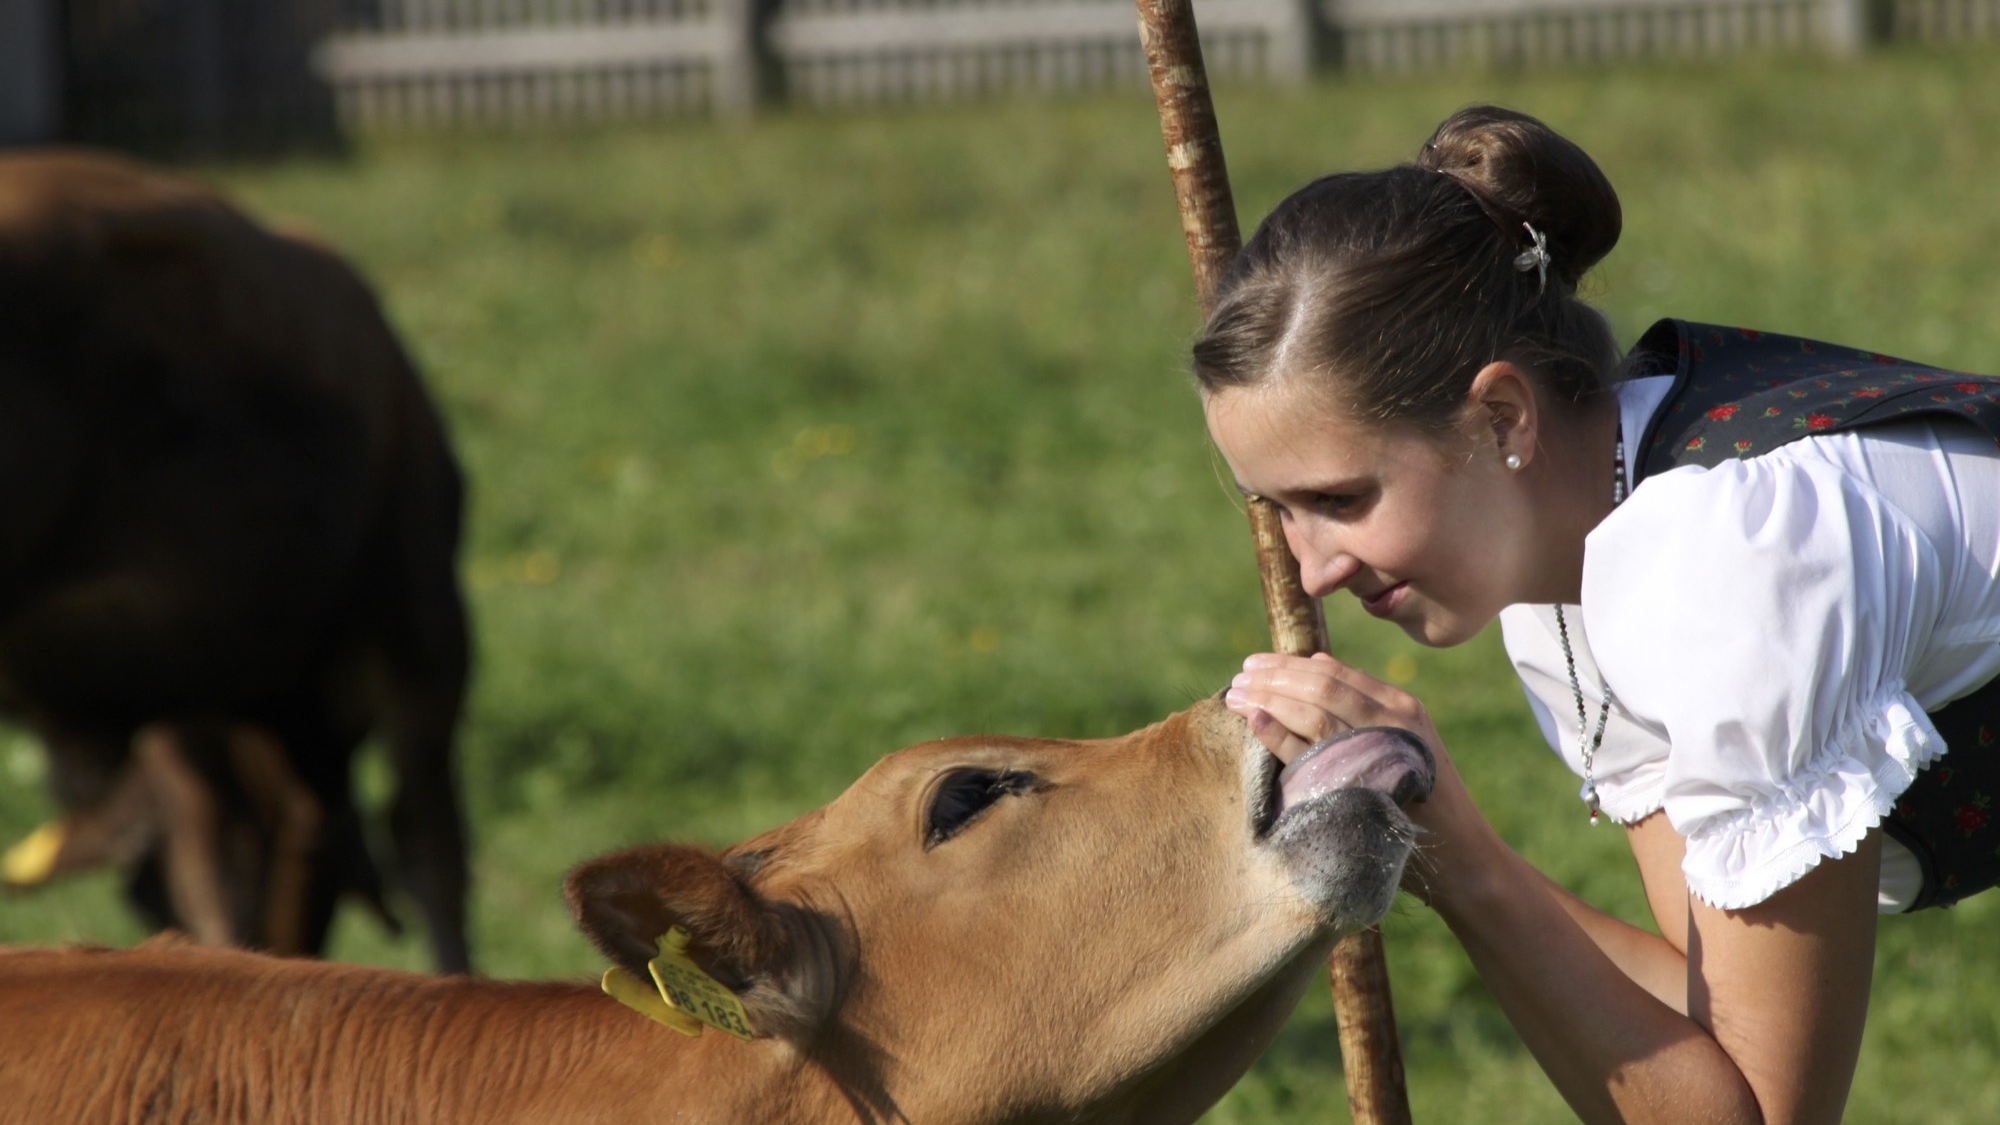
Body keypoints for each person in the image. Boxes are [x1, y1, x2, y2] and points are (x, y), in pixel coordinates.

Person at [1202, 104, 2000, 1125]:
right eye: (1279, 512)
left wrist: (1460, 854)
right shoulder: (1567, 581)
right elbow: (1701, 1032)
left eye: (1341, 500)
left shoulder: (1731, 565)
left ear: (1499, 415)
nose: (1309, 570)